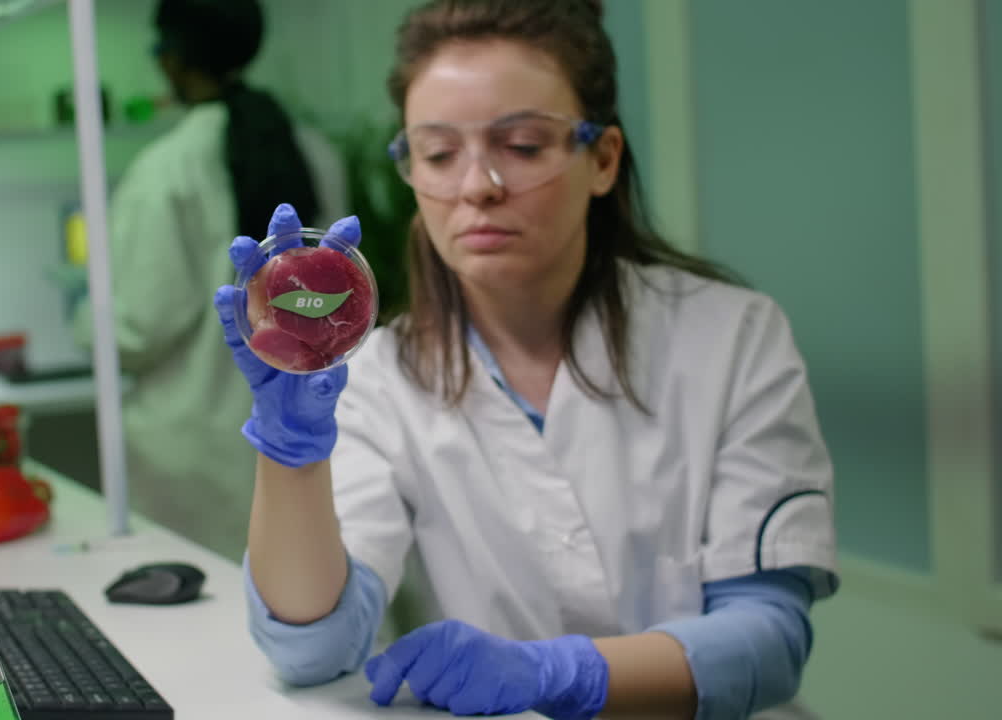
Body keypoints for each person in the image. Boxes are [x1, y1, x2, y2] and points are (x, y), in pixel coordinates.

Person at [213, 0, 839, 718]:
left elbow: (770, 636)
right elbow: (311, 649)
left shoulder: (730, 337)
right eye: (440, 154)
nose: (477, 185)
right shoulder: (380, 376)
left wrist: (557, 673)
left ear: (602, 159)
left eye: (523, 145)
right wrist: (291, 455)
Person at [74, 0, 347, 562]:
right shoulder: (314, 153)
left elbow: (138, 328)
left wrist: (84, 317)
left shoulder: (166, 170)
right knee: (291, 603)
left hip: (191, 459)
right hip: (296, 435)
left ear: (172, 61)